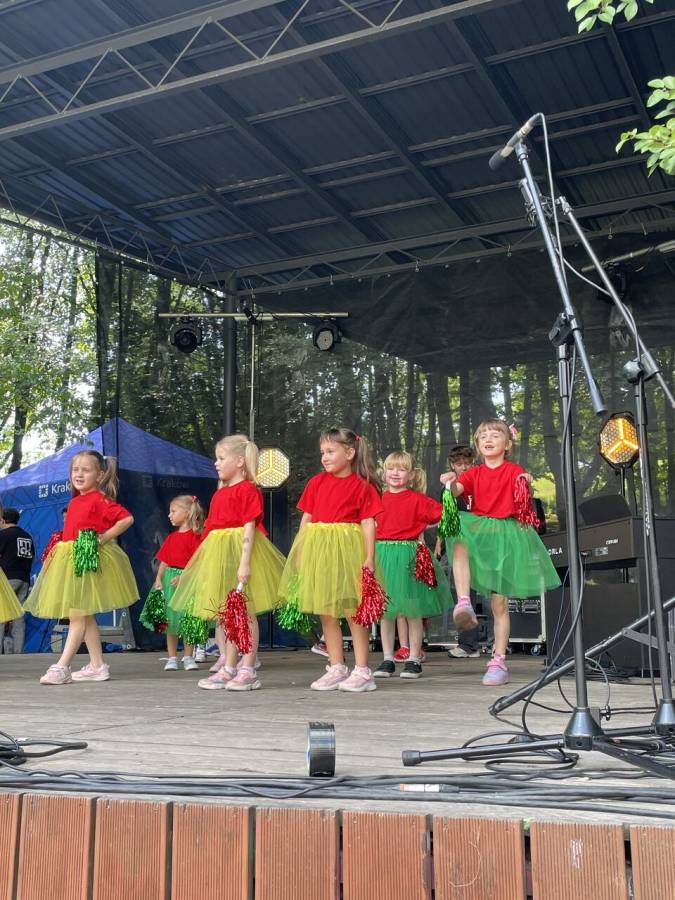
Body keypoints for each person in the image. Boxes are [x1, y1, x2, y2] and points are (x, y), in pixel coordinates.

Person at [440, 419, 560, 686]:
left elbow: (524, 488)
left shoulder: (514, 470)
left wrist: (526, 482)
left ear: (507, 444)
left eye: (495, 435)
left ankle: (498, 660)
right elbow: (458, 490)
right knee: (458, 536)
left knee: (499, 604)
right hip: (482, 532)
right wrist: (450, 482)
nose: (488, 439)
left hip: (506, 537)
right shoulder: (473, 473)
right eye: (483, 436)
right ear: (478, 445)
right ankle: (463, 601)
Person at [169, 434, 285, 692]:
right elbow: (210, 532)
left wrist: (244, 563)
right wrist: (194, 568)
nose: (216, 463)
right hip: (219, 554)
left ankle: (248, 667)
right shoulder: (220, 494)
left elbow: (249, 527)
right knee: (228, 613)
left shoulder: (248, 490)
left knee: (246, 611)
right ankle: (229, 666)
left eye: (221, 458)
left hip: (240, 553)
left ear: (240, 461)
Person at [278, 426, 383, 693]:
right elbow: (307, 519)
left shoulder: (362, 485)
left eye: (330, 451)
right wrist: (300, 553)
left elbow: (368, 522)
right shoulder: (316, 483)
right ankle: (337, 667)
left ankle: (362, 670)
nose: (324, 457)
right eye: (322, 452)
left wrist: (369, 557)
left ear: (349, 453)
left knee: (352, 610)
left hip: (348, 552)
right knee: (326, 610)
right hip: (320, 552)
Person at [25, 451, 138, 685]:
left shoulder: (99, 499)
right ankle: (97, 666)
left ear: (100, 475)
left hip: (84, 558)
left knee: (77, 614)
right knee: (84, 616)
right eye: (75, 470)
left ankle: (62, 666)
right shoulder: (76, 500)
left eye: (86, 470)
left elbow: (126, 519)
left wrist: (103, 538)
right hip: (71, 559)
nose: (79, 474)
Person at [373, 452, 451, 680]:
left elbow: (443, 515)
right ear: (384, 473)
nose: (395, 473)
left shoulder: (418, 499)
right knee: (386, 611)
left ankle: (414, 658)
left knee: (413, 610)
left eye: (401, 469)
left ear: (412, 475)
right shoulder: (377, 498)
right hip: (383, 556)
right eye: (391, 468)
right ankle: (388, 658)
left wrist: (421, 528)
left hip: (410, 556)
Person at [140, 495, 204, 671]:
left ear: (187, 512)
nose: (169, 515)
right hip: (170, 581)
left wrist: (184, 577)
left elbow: (198, 562)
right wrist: (158, 578)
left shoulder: (196, 537)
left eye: (173, 511)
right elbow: (164, 561)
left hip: (188, 582)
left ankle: (188, 656)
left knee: (188, 619)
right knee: (170, 620)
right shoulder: (171, 537)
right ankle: (172, 657)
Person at [434, 445, 483, 659]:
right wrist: (439, 541)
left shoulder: (481, 480)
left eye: (467, 463)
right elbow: (446, 515)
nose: (463, 467)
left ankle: (499, 642)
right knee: (464, 593)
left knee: (492, 592)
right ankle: (468, 644)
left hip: (483, 540)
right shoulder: (449, 488)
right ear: (452, 465)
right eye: (459, 464)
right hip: (460, 542)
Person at [0, 507, 35, 654]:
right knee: (18, 616)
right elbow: (32, 557)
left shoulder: (3, 535)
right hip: (24, 579)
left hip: (7, 578)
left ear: (2, 520)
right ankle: (18, 651)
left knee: (2, 614)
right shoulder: (27, 536)